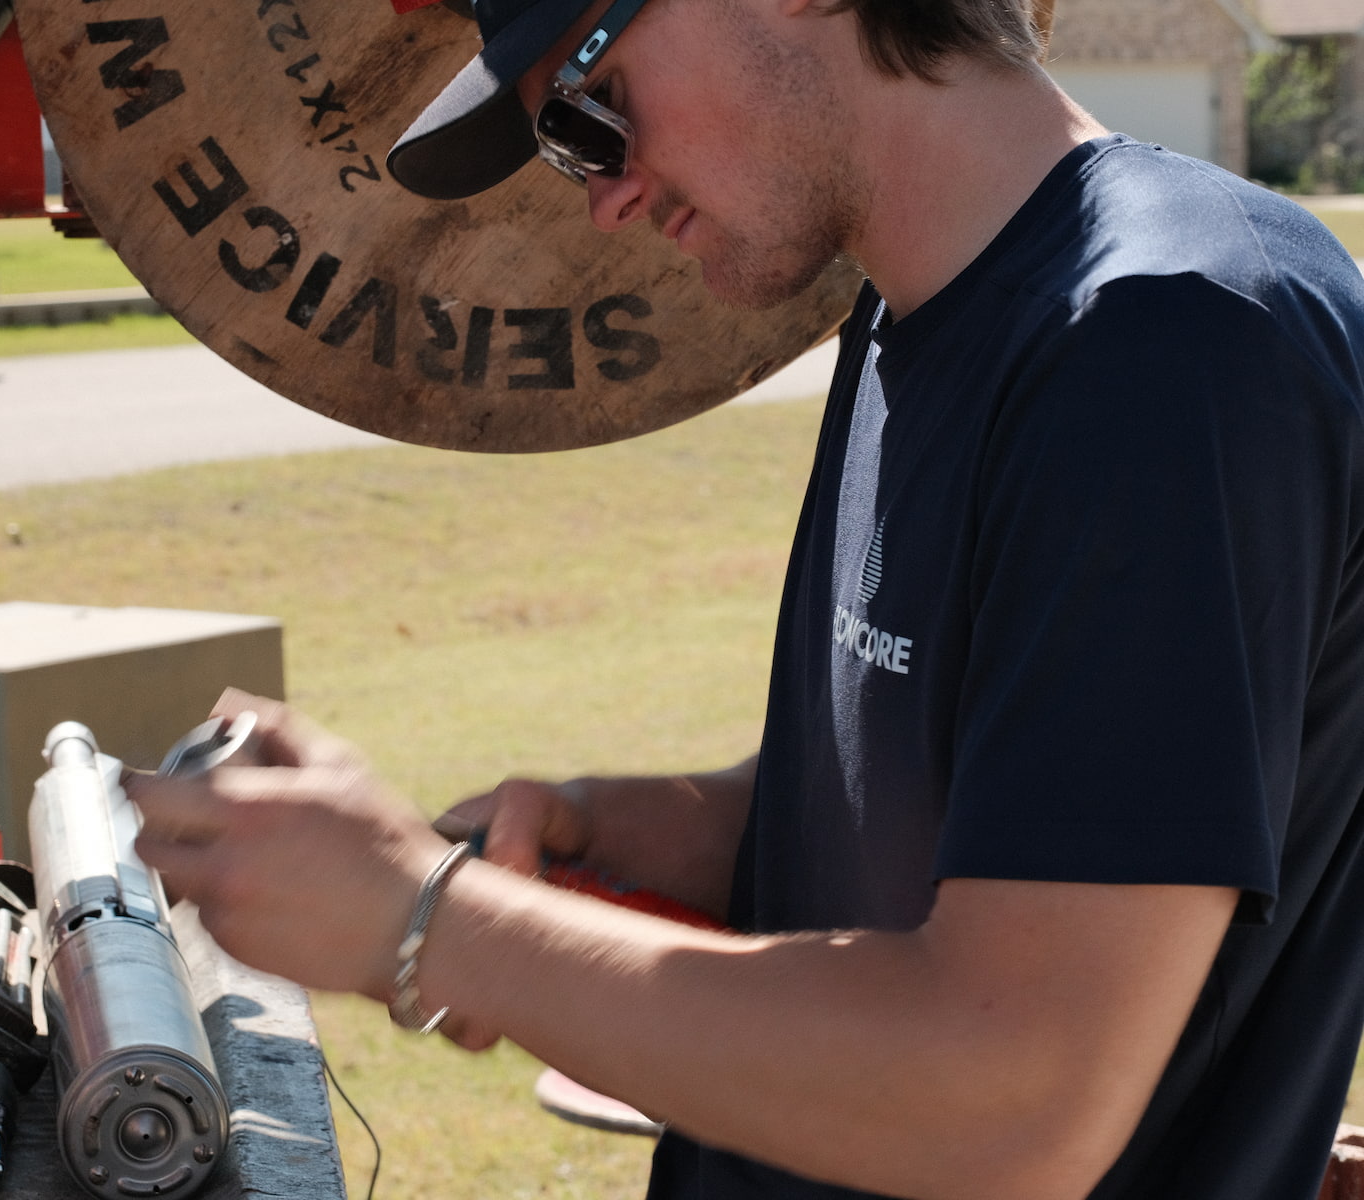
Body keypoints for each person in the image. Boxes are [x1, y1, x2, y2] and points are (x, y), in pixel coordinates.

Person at [130, 0, 1364, 1195]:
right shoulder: (909, 307)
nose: (603, 193)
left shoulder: (1168, 341)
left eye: (593, 107)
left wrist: (428, 920)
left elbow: (1015, 1096)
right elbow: (948, 823)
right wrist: (607, 829)